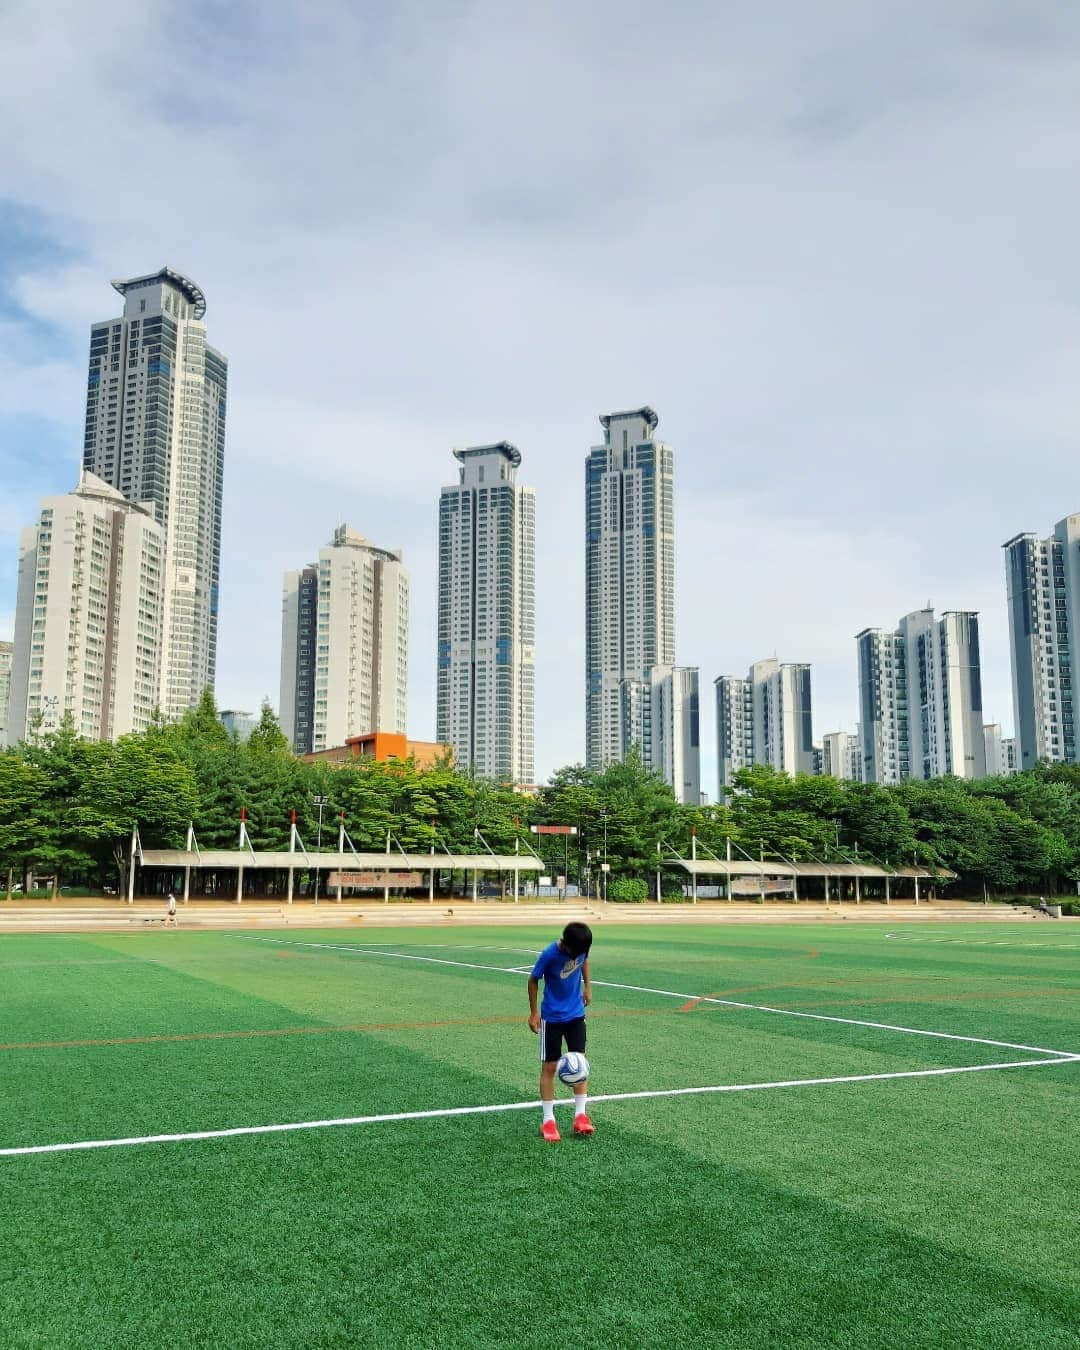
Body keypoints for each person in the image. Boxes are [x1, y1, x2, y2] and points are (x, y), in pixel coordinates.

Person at [527, 921, 594, 1141]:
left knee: (580, 1063)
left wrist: (587, 986)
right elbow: (533, 980)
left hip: (576, 1014)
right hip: (552, 1017)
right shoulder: (550, 955)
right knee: (549, 1067)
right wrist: (534, 1013)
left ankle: (581, 1116)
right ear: (566, 945)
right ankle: (548, 1120)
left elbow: (584, 960)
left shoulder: (581, 948)